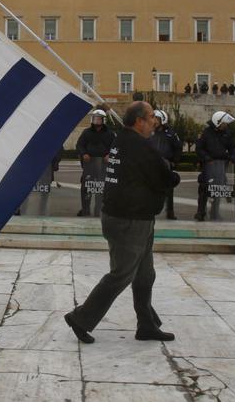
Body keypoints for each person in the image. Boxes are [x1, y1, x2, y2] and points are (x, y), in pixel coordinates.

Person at [65, 102, 179, 344]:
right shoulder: (138, 146)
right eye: (150, 117)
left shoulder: (122, 141)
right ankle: (81, 318)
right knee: (121, 275)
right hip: (129, 220)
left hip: (136, 217)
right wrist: (173, 175)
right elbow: (164, 177)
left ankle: (146, 324)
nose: (154, 122)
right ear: (139, 121)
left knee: (145, 274)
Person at [194, 111, 235, 221]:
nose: (226, 125)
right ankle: (201, 212)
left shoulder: (226, 133)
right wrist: (206, 158)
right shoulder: (206, 133)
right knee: (204, 189)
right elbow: (199, 148)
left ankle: (214, 212)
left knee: (219, 189)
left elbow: (233, 147)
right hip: (208, 165)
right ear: (218, 122)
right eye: (224, 123)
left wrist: (232, 157)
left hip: (221, 166)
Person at [75, 108, 116, 217]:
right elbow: (79, 145)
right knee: (86, 188)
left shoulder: (110, 134)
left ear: (103, 120)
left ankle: (99, 211)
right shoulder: (86, 132)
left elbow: (115, 147)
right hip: (89, 166)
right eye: (95, 118)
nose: (96, 121)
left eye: (99, 119)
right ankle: (85, 210)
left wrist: (109, 155)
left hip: (103, 166)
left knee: (101, 190)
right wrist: (84, 153)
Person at [147, 110, 183, 219]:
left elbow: (178, 148)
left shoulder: (171, 133)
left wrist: (174, 161)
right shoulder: (149, 132)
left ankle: (170, 211)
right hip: (151, 164)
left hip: (166, 164)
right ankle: (149, 210)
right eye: (153, 118)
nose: (154, 121)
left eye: (157, 119)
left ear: (163, 120)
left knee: (168, 188)